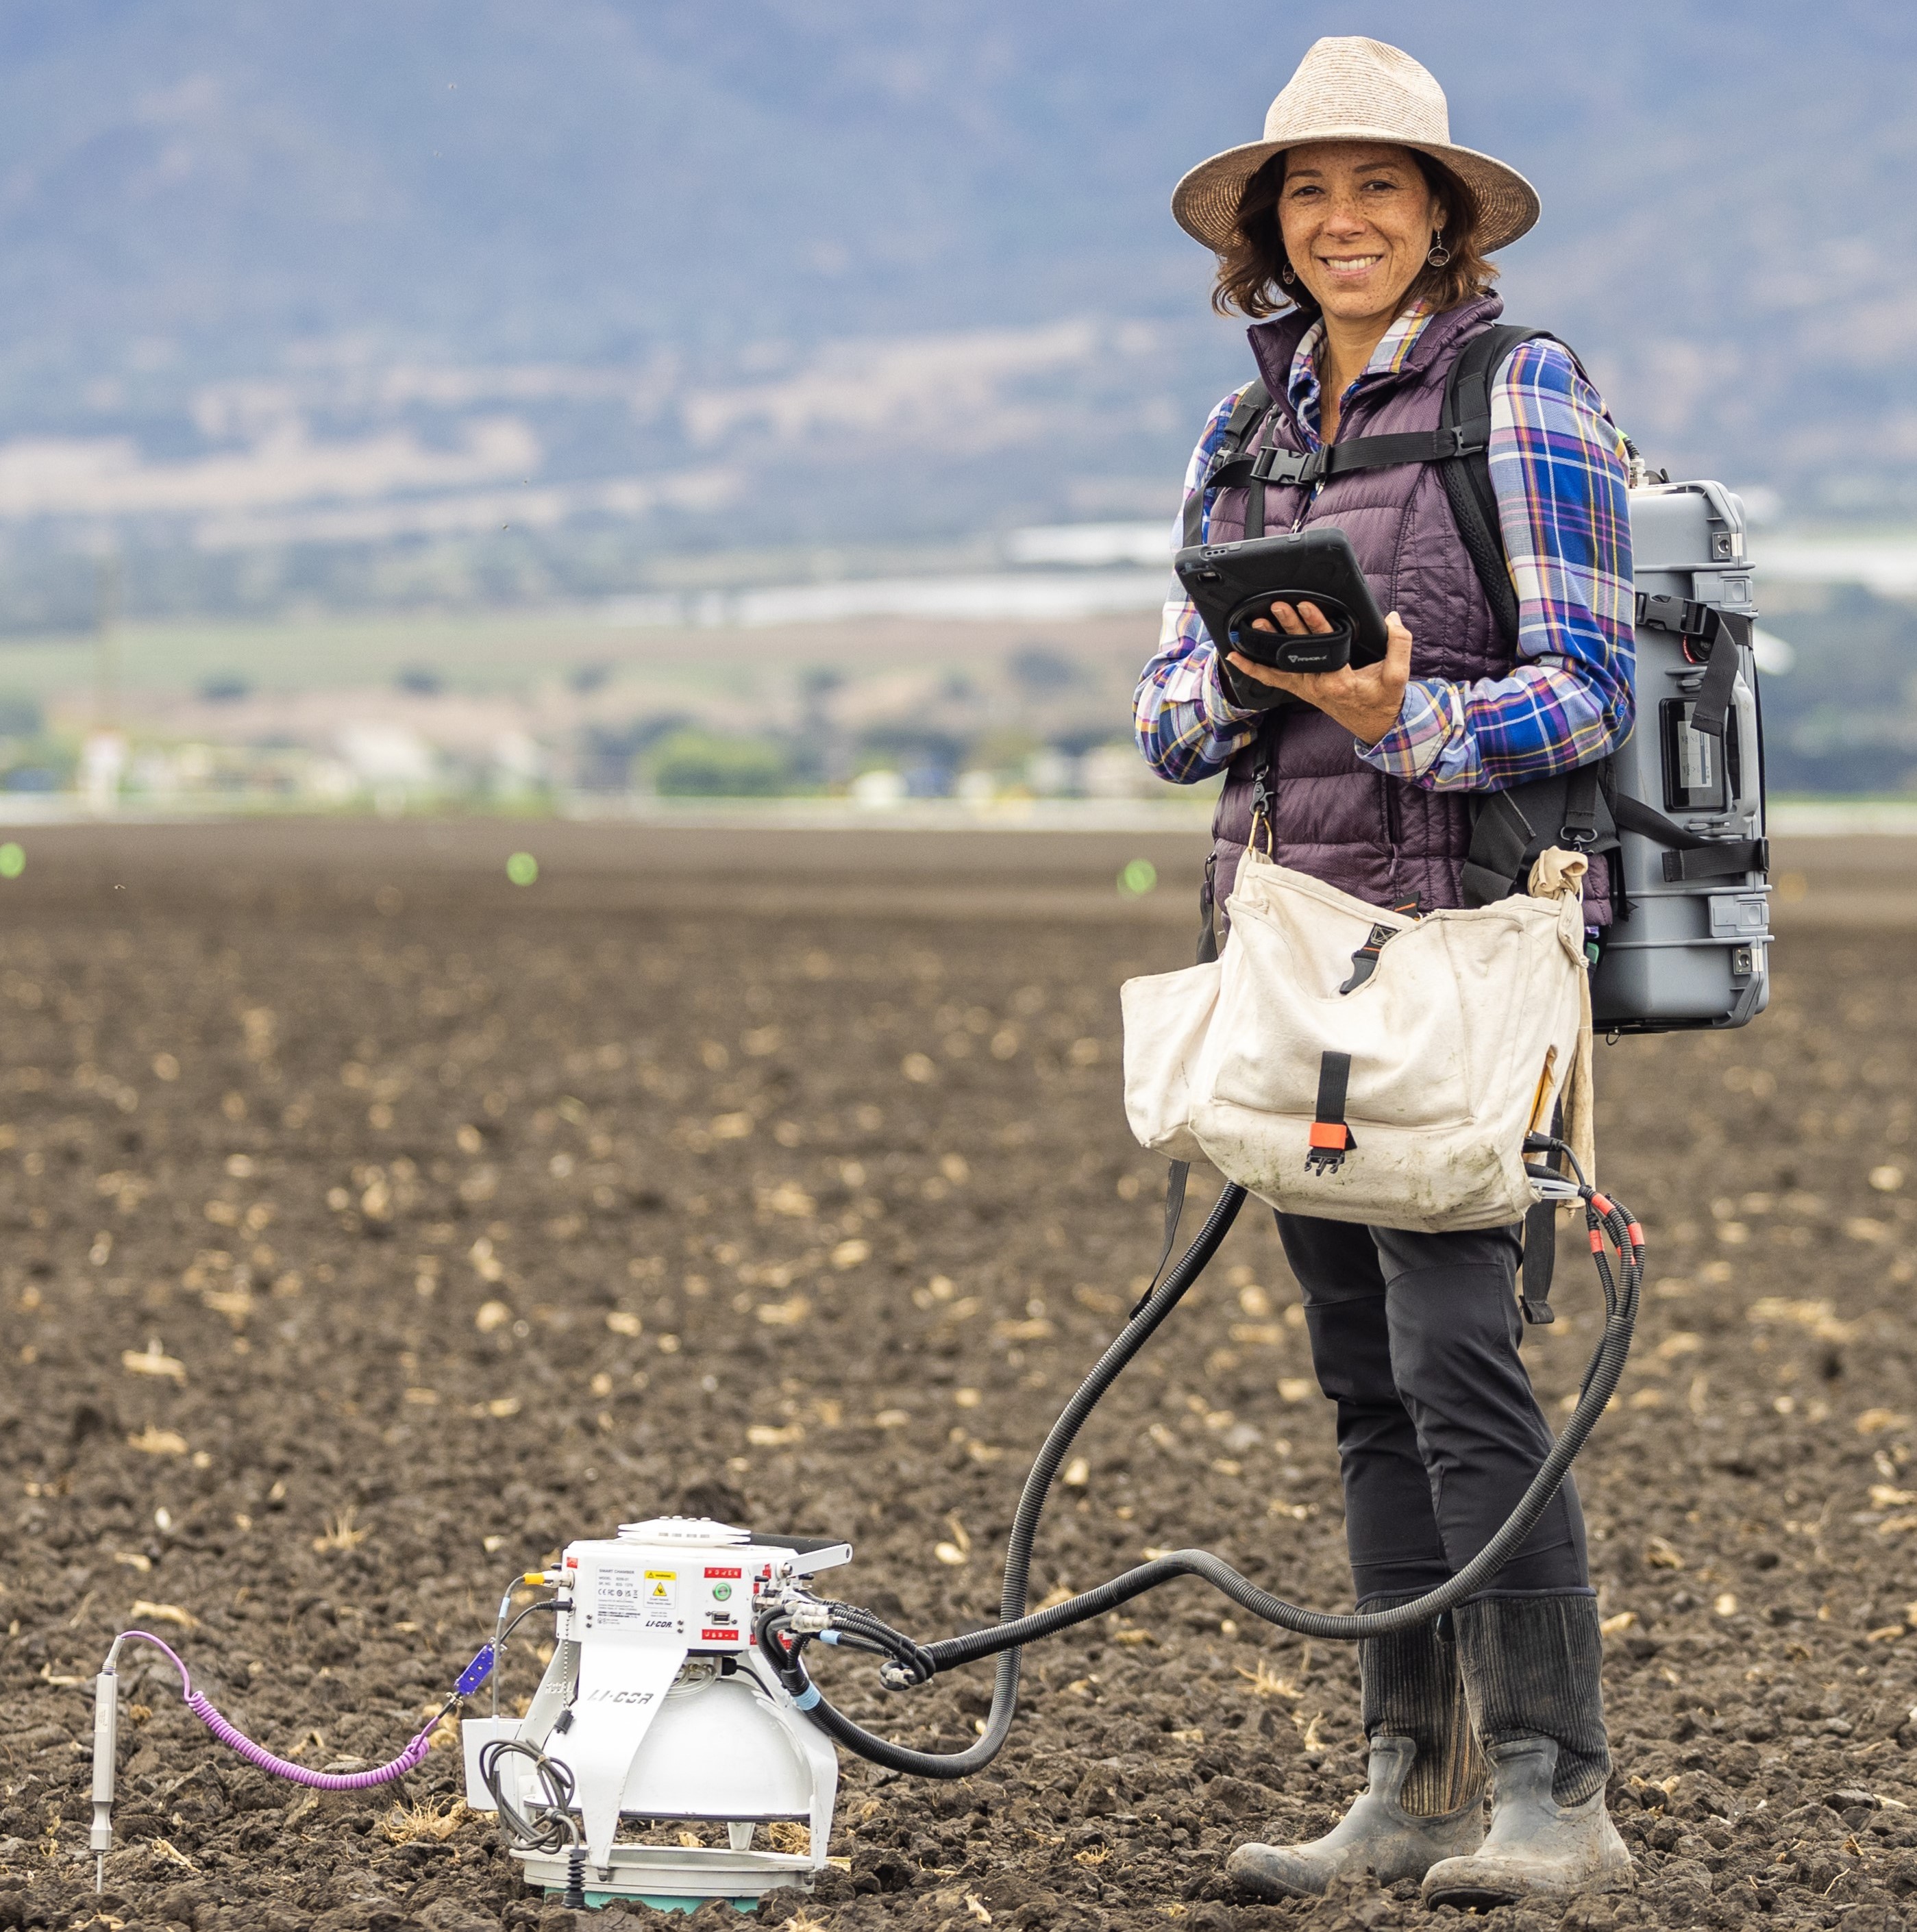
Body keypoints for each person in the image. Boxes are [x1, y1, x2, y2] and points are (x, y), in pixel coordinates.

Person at [1135, 36, 1636, 1912]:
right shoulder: (1242, 432)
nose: (1341, 220)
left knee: (1459, 1356)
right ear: (1268, 230)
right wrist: (1259, 680)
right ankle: (1405, 1781)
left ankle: (1555, 1791)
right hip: (1289, 950)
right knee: (1362, 1370)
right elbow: (1168, 707)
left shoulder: (1524, 397)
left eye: (1379, 188)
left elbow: (1592, 684)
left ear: (1442, 217)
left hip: (1469, 953)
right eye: (1308, 194)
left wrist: (1405, 714)